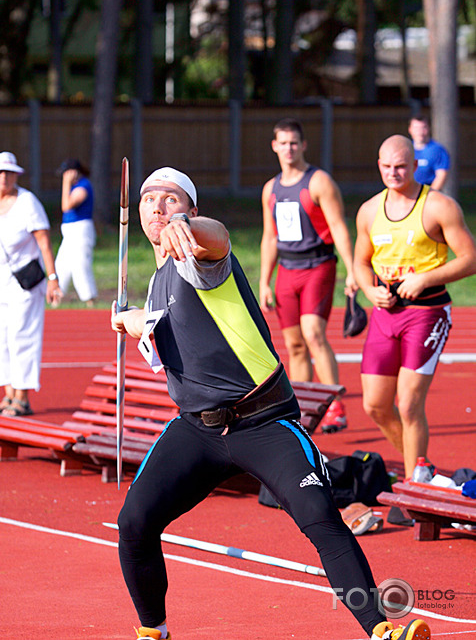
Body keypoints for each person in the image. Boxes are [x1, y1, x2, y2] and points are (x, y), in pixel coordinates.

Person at [111, 165, 431, 640]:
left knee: (320, 517)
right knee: (134, 522)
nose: (158, 207)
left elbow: (216, 239)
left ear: (191, 210)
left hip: (263, 420)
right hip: (198, 430)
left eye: (171, 200)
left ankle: (381, 629)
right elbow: (165, 333)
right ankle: (152, 631)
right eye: (149, 199)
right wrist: (133, 321)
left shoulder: (199, 258)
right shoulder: (157, 281)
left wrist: (191, 229)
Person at [354, 134, 476, 480]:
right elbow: (361, 262)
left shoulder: (438, 206)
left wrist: (426, 278)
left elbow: (470, 258)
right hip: (385, 314)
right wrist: (368, 289)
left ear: (415, 165)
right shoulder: (369, 210)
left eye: (401, 166)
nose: (394, 173)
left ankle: (413, 484)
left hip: (426, 313)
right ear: (379, 166)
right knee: (375, 406)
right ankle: (419, 467)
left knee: (408, 404)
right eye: (388, 167)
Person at [259, 118, 356, 433]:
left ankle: (335, 406)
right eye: (282, 143)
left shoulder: (318, 182)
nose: (288, 149)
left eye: (293, 143)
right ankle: (301, 409)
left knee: (313, 333)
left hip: (318, 265)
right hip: (287, 271)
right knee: (294, 344)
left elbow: (339, 227)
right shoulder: (270, 189)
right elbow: (269, 237)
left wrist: (353, 270)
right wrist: (264, 281)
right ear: (274, 146)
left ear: (303, 145)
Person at [0, 151, 62, 417]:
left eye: (9, 172)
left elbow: (44, 243)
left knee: (21, 336)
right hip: (1, 281)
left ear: (16, 175)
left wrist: (53, 279)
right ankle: (9, 394)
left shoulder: (28, 203)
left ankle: (22, 398)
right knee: (2, 339)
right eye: (1, 173)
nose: (4, 177)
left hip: (25, 283)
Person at [54, 158, 97, 307]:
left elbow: (66, 206)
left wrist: (66, 183)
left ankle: (89, 299)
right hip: (70, 231)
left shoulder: (83, 186)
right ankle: (56, 298)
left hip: (81, 229)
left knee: (80, 265)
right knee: (62, 263)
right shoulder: (74, 187)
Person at [408, 115, 450, 191]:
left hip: (429, 192)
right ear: (410, 129)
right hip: (409, 192)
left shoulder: (438, 150)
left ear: (428, 128)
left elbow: (441, 176)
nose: (420, 132)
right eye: (416, 128)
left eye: (423, 128)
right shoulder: (406, 149)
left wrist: (428, 195)